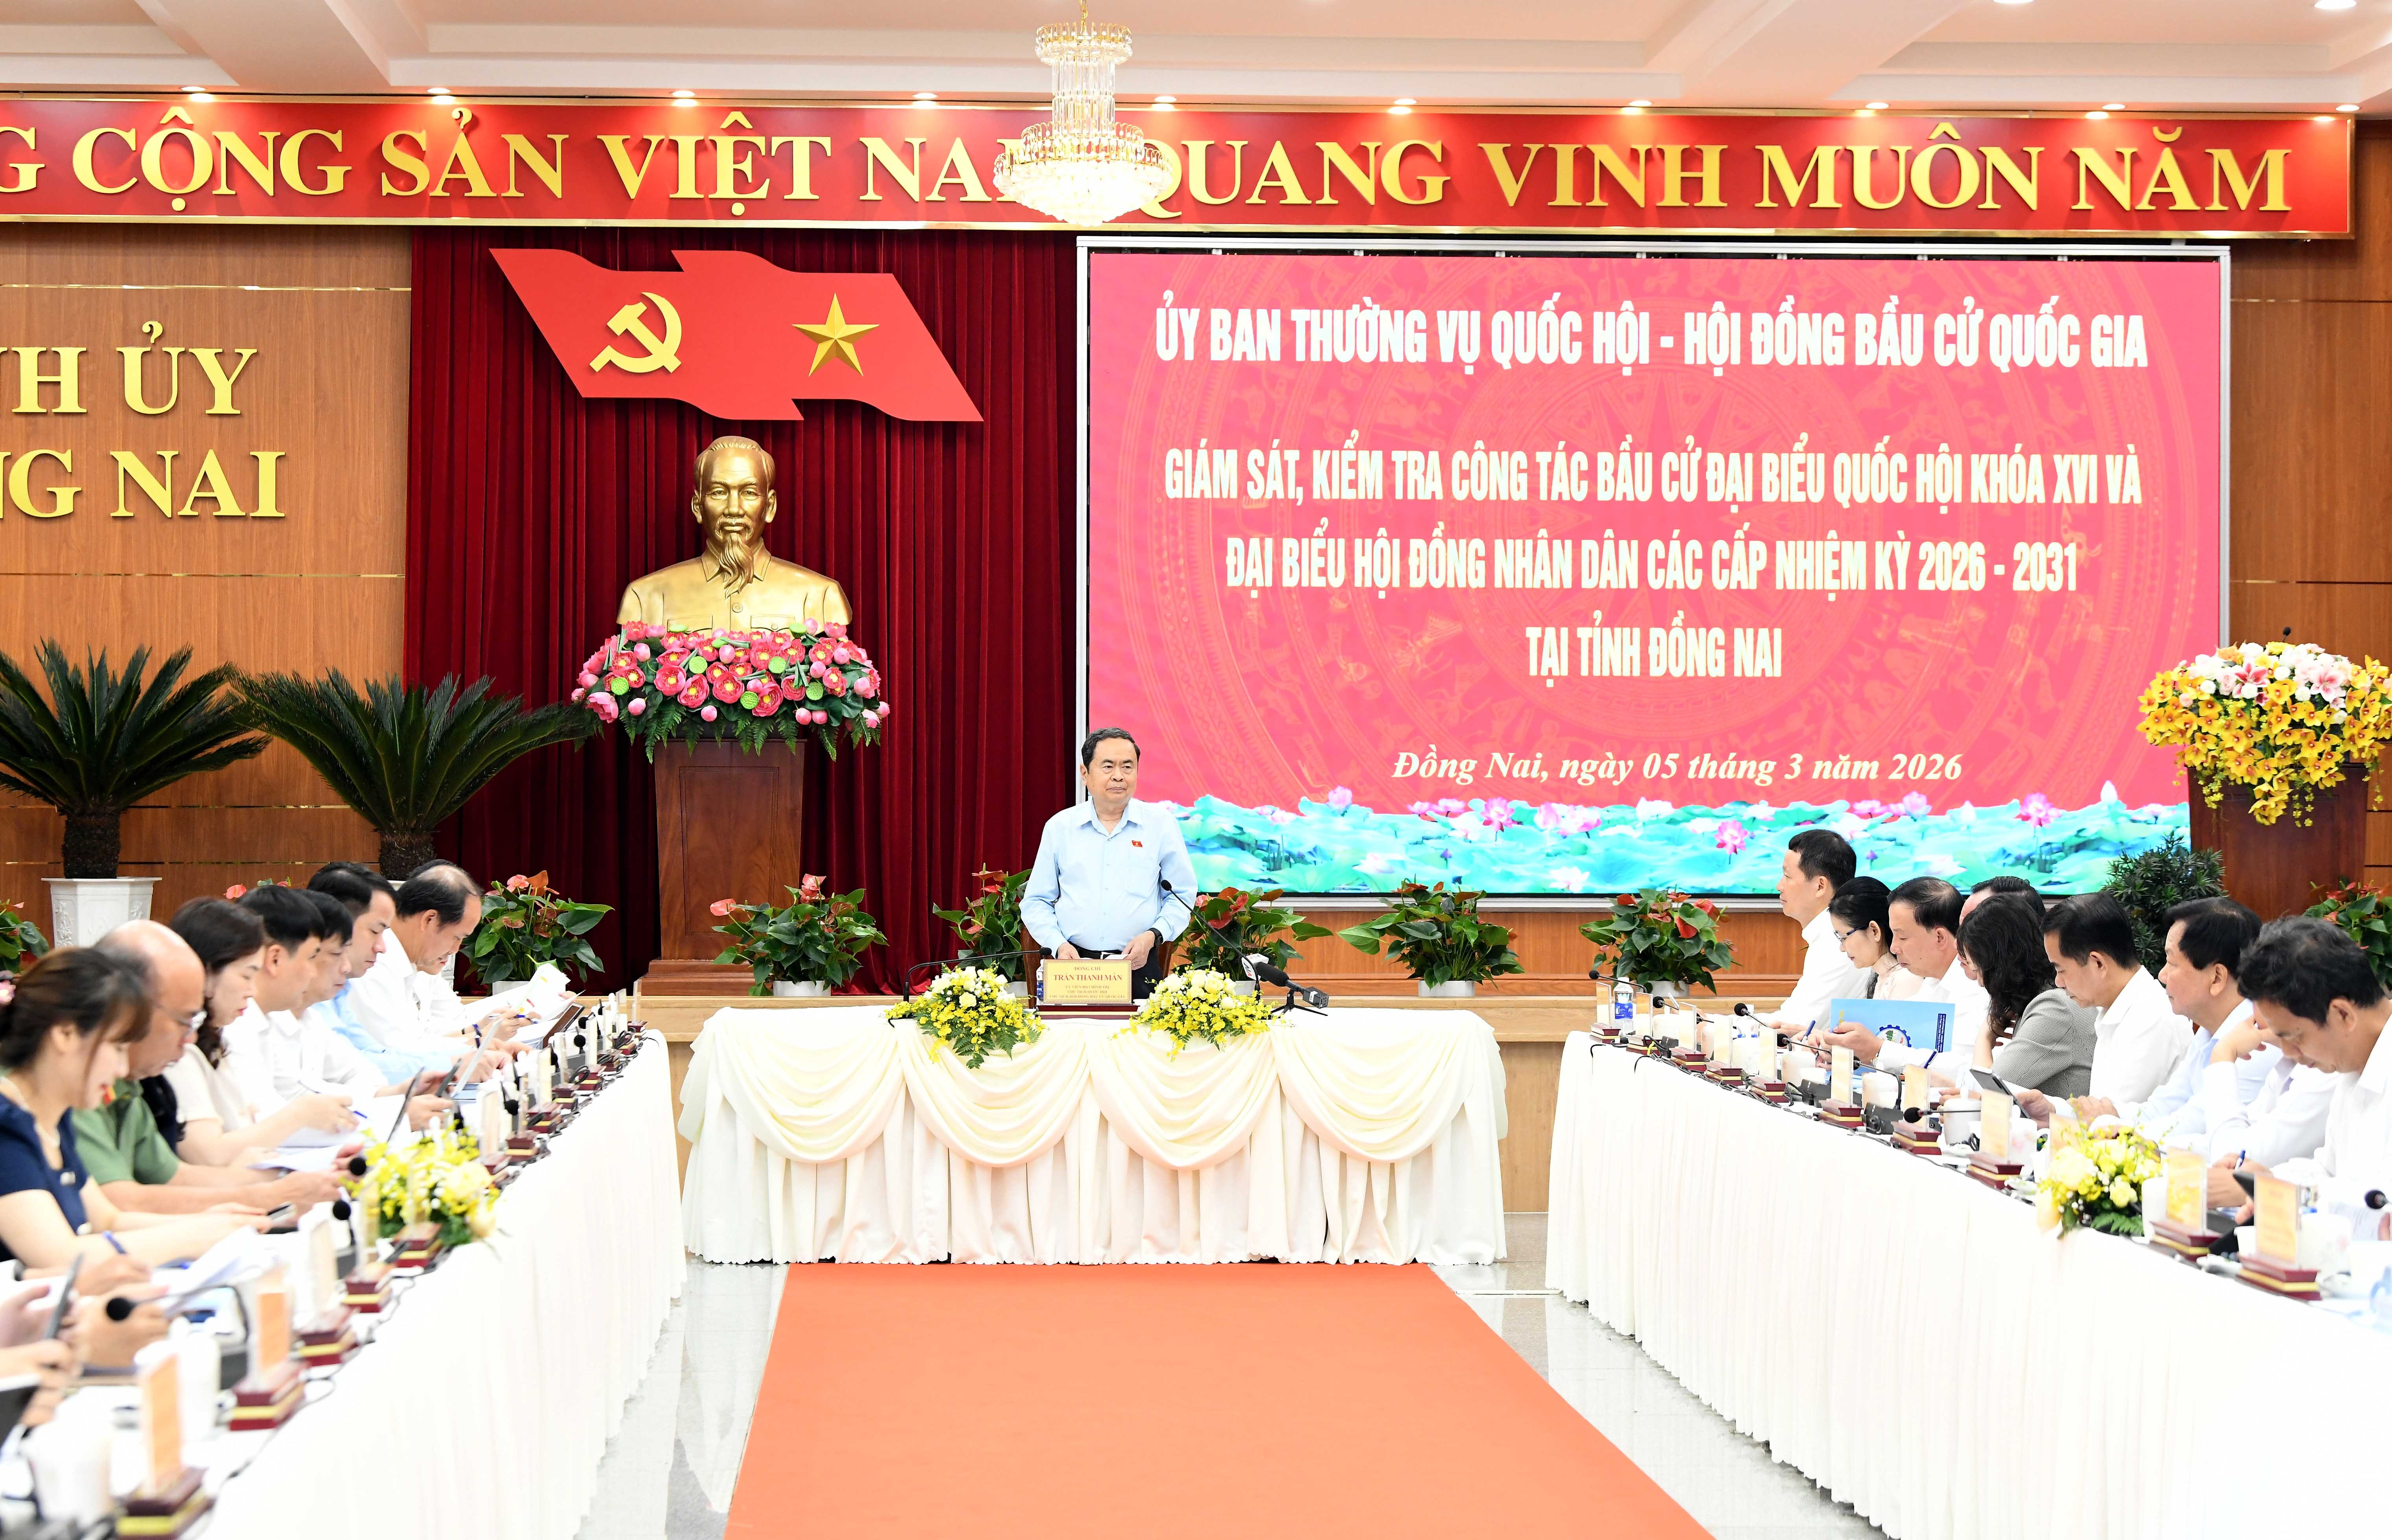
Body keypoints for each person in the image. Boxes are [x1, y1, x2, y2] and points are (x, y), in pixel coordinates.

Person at [0, 948, 261, 1269]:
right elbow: (59, 1256)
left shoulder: (54, 1119)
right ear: (65, 1034)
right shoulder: (6, 1125)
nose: (122, 1068)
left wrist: (210, 1222)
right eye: (118, 1047)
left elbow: (108, 1220)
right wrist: (193, 1237)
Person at [75, 923, 342, 1218]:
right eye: (184, 1021)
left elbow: (174, 1177)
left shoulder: (129, 1082)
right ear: (131, 1009)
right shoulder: (80, 1080)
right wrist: (269, 1196)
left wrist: (286, 1182)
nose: (190, 1038)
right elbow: (119, 1202)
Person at [157, 899, 353, 1165]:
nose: (251, 991)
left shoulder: (213, 1038)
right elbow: (209, 1154)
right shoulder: (180, 1050)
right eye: (247, 976)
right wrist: (300, 1114)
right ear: (207, 971)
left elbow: (247, 1123)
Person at [2232, 918, 2392, 1237]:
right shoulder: (2350, 1061)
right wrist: (2275, 1186)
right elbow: (2330, 1170)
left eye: (2295, 1037)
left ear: (2343, 1014)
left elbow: (2379, 1208)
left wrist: (2304, 1198)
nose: (2289, 1053)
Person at [1021, 729, 1196, 999]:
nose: (1119, 776)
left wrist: (1154, 935)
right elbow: (1035, 902)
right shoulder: (1060, 828)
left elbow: (1181, 896)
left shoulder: (1161, 826)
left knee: (1143, 1028)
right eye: (1108, 766)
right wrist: (1058, 945)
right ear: (1085, 774)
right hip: (1073, 966)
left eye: (1128, 767)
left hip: (1138, 964)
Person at [2130, 898, 2272, 1143]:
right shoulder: (2209, 1029)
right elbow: (2161, 1108)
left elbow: (2192, 1126)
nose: (2162, 975)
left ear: (2217, 978)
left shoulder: (2258, 1040)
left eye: (2172, 963)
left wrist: (2114, 1138)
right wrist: (2099, 1117)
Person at [1819, 877, 1987, 1080]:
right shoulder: (1931, 982)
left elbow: (1965, 1071)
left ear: (1940, 937)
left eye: (1903, 937)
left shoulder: (1976, 987)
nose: (1894, 947)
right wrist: (1839, 1042)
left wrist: (1879, 1051)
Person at [2041, 893, 2187, 1116]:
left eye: (2061, 970)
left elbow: (2108, 1123)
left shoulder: (2150, 1017)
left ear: (2098, 963)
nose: (2059, 982)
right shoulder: (2119, 1007)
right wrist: (2051, 1109)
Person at [1952, 894, 2094, 1096]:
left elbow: (1991, 1093)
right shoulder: (2043, 1000)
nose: (1982, 982)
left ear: (2002, 966)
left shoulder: (2055, 1009)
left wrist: (1984, 1038)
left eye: (1981, 970)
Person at [1766, 830, 1869, 1032]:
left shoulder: (1838, 944)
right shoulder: (1830, 936)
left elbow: (1792, 1027)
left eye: (1787, 876)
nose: (1779, 886)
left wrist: (1716, 1024)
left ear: (1820, 886)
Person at [1827, 878, 1919, 999]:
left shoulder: (1905, 981)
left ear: (1875, 931)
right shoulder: (1881, 979)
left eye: (1844, 937)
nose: (1842, 948)